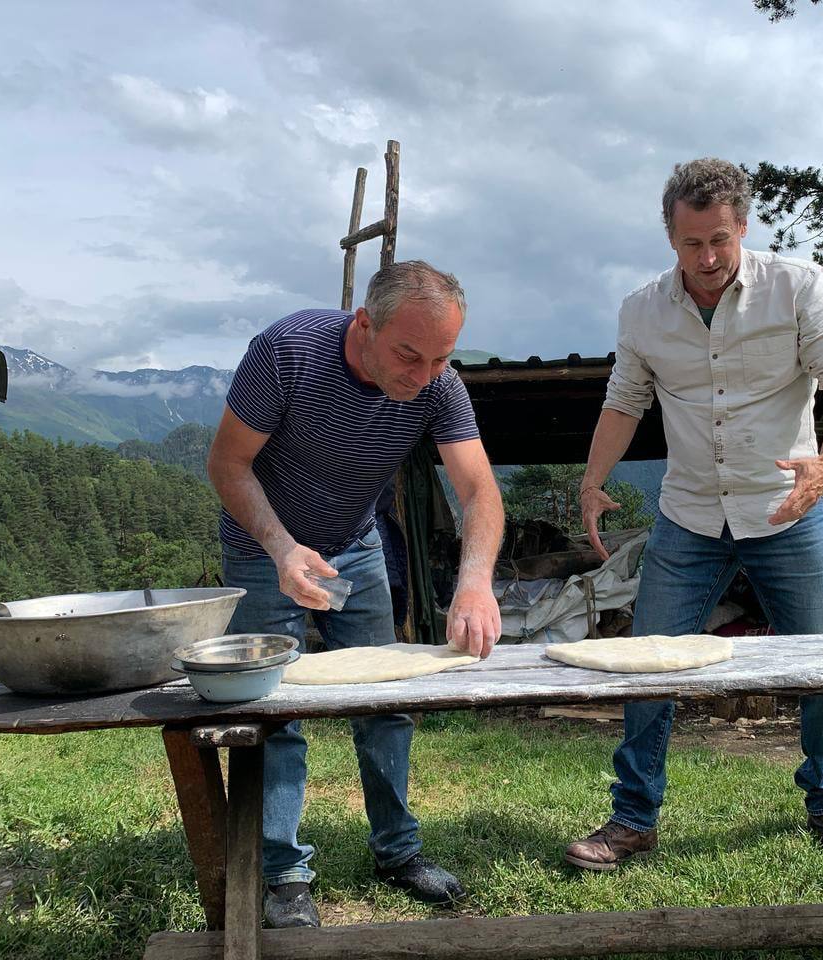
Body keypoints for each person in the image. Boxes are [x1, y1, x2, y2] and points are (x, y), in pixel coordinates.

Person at [565, 158, 823, 871]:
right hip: (690, 515)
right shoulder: (642, 310)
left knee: (822, 666)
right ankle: (632, 819)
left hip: (786, 508)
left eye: (719, 241)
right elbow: (624, 400)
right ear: (670, 238)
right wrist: (592, 482)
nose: (706, 259)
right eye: (691, 244)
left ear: (743, 227)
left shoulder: (798, 286)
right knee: (648, 666)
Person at [207, 260, 504, 928]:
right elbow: (227, 464)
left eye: (441, 358)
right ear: (366, 324)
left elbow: (479, 490)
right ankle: (283, 874)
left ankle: (398, 852)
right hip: (261, 548)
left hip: (355, 546)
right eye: (409, 355)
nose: (423, 375)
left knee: (385, 700)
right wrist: (282, 549)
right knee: (273, 709)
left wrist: (475, 583)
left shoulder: (439, 384)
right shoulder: (286, 353)